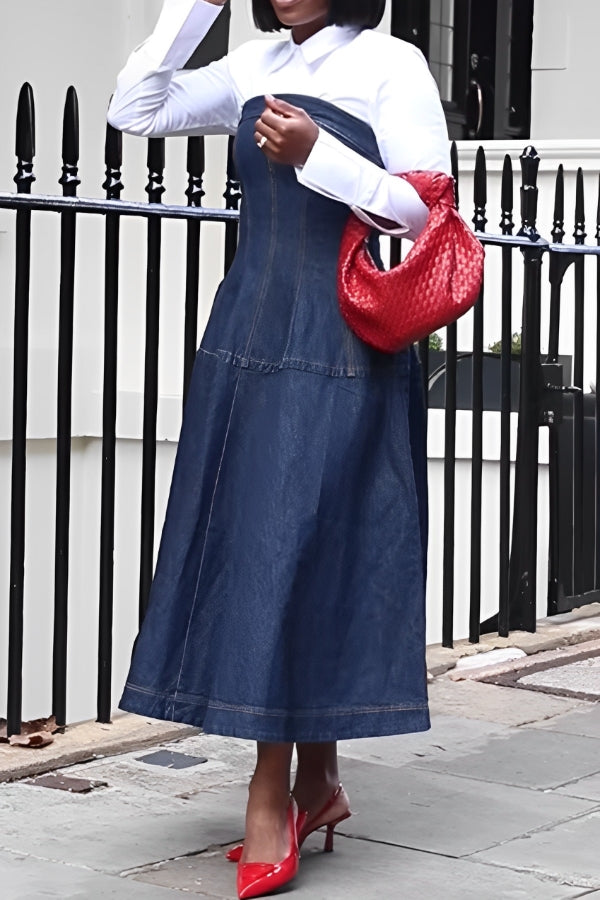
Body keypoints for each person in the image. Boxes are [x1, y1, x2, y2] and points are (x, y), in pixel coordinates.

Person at [108, 1, 450, 897]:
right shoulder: (251, 64)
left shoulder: (391, 64)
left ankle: (271, 794)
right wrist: (193, 11)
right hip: (246, 334)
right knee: (267, 542)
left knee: (305, 544)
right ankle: (320, 782)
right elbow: (132, 111)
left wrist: (320, 159)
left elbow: (424, 215)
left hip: (341, 337)